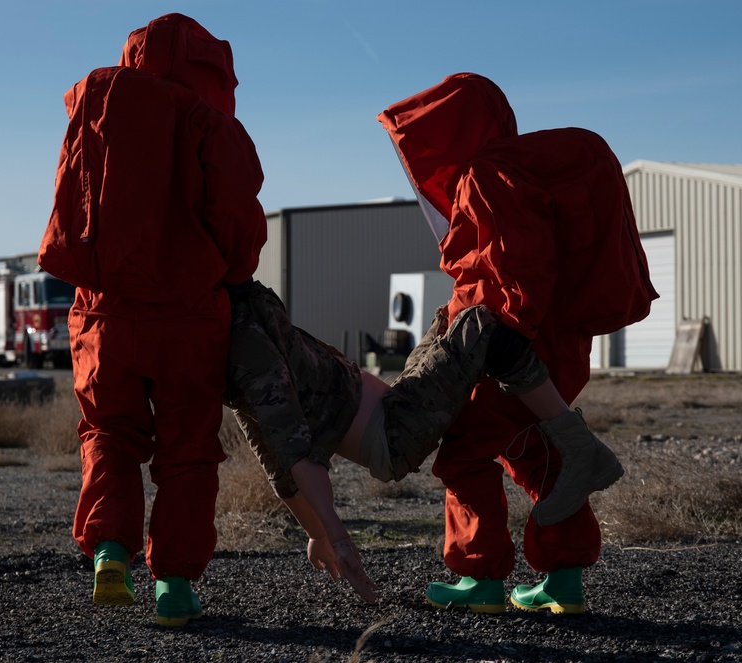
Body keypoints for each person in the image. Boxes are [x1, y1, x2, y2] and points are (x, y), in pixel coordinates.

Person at [377, 73, 658, 614]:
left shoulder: (486, 174)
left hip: (511, 348)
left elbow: (513, 275)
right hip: (562, 345)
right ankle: (563, 578)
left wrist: (484, 341)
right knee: (536, 450)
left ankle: (478, 577)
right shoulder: (529, 170)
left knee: (463, 452)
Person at [37, 13, 266, 627]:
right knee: (188, 451)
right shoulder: (209, 124)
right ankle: (176, 585)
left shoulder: (95, 107)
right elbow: (237, 219)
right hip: (189, 315)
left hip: (104, 312)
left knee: (108, 432)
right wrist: (235, 275)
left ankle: (111, 548)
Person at [224, 279, 627, 605]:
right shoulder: (246, 348)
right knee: (479, 325)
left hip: (397, 404)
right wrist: (333, 534)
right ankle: (577, 441)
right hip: (395, 430)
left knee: (446, 319)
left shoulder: (245, 308)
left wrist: (316, 534)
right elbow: (288, 454)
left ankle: (506, 575)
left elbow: (275, 460)